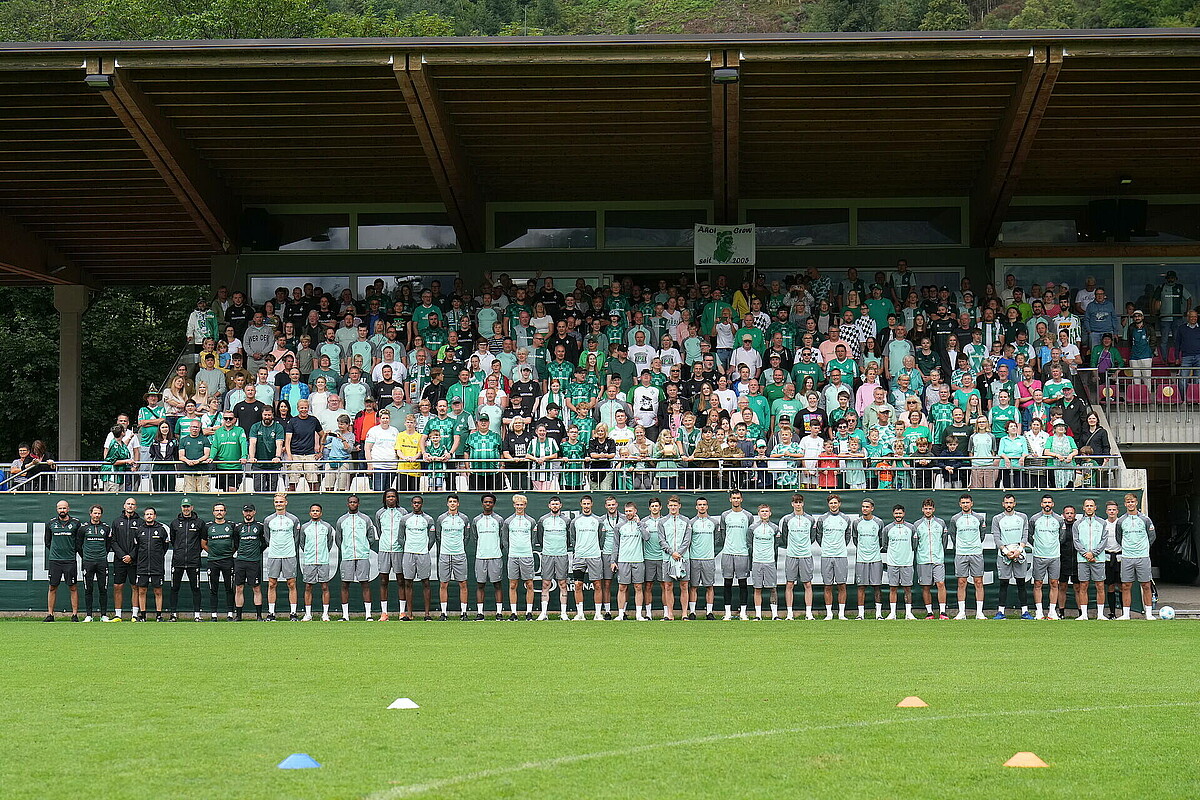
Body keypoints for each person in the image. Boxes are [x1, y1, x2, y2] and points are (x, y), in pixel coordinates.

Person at [1116, 493, 1157, 620]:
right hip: (1127, 557)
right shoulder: (1121, 520)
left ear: (1136, 503)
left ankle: (1149, 614)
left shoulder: (1145, 519)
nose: (1130, 504)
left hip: (1143, 556)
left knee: (1146, 584)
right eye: (1128, 502)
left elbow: (1152, 537)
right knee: (1126, 586)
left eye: (1132, 502)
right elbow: (1119, 538)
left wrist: (1143, 548)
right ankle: (1126, 614)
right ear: (1125, 504)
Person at [336, 495, 378, 621]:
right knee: (345, 584)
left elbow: (371, 537)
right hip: (347, 555)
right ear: (347, 504)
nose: (353, 504)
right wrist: (345, 548)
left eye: (355, 502)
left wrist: (364, 547)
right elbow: (339, 539)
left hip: (362, 555)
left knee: (365, 583)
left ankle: (368, 614)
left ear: (358, 504)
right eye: (350, 502)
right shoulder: (341, 520)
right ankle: (345, 615)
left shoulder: (365, 519)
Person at [991, 493, 1031, 619]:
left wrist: (1019, 550)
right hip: (1004, 554)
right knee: (1003, 583)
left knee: (1021, 583)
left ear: (1015, 504)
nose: (1009, 505)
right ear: (1003, 504)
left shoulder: (1022, 517)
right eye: (1006, 503)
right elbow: (997, 538)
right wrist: (1006, 551)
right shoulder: (997, 518)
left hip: (1019, 553)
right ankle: (1000, 612)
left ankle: (1025, 612)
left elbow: (1025, 535)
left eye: (1011, 502)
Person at [263, 493, 301, 622]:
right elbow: (267, 538)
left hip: (289, 555)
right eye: (276, 502)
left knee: (291, 583)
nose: (279, 504)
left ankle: (293, 613)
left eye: (281, 502)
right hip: (273, 555)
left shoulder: (293, 519)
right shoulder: (268, 520)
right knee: (272, 584)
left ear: (286, 503)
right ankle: (271, 613)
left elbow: (296, 538)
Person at [814, 494, 852, 620]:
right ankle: (829, 613)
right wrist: (826, 547)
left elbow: (847, 537)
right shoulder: (822, 519)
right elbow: (819, 536)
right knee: (828, 585)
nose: (833, 505)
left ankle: (841, 613)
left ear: (839, 504)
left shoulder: (845, 519)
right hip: (826, 556)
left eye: (835, 503)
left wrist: (839, 547)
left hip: (841, 555)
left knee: (842, 585)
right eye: (831, 503)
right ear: (828, 505)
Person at [1028, 494, 1066, 620]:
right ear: (1041, 504)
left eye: (1049, 502)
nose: (1047, 504)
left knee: (1054, 583)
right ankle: (1039, 611)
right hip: (1039, 555)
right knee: (1038, 583)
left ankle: (1051, 611)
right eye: (1045, 502)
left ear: (1053, 504)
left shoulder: (1059, 520)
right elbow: (1029, 535)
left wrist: (1052, 546)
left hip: (1054, 556)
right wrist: (1038, 545)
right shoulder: (1034, 519)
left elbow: (1062, 537)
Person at [399, 494, 437, 621]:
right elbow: (400, 537)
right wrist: (408, 547)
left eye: (418, 503)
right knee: (408, 582)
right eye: (414, 503)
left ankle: (427, 614)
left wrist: (425, 549)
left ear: (422, 504)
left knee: (425, 582)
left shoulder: (429, 519)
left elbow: (432, 538)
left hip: (423, 554)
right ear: (411, 504)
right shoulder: (405, 519)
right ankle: (409, 614)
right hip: (408, 553)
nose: (416, 505)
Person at [168, 498, 206, 622]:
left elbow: (202, 542)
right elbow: (173, 541)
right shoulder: (174, 523)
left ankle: (197, 615)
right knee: (174, 588)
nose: (186, 509)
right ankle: (173, 614)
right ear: (181, 508)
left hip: (193, 562)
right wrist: (179, 552)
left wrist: (194, 553)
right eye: (184, 507)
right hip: (178, 561)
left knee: (195, 588)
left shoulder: (199, 523)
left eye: (188, 506)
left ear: (192, 507)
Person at [435, 494, 472, 621]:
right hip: (445, 554)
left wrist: (459, 547)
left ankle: (464, 613)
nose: (452, 504)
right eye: (450, 502)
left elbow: (467, 537)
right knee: (443, 583)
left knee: (463, 583)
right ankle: (443, 613)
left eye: (454, 502)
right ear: (447, 504)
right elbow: (438, 536)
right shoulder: (441, 518)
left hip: (460, 554)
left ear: (458, 504)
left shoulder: (464, 518)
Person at [950, 493, 987, 620]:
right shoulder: (955, 519)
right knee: (961, 582)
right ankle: (961, 612)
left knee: (978, 582)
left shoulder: (979, 518)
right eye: (963, 503)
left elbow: (982, 535)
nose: (965, 505)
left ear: (972, 503)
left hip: (976, 553)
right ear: (960, 504)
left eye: (967, 502)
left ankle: (979, 613)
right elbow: (953, 535)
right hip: (961, 553)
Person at [719, 490, 755, 621]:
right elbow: (723, 534)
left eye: (738, 498)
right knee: (727, 583)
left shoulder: (748, 516)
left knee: (743, 583)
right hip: (728, 553)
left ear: (741, 499)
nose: (736, 500)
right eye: (733, 498)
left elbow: (750, 534)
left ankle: (743, 613)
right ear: (730, 500)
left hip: (743, 553)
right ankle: (727, 613)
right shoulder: (725, 515)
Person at [45, 500, 82, 622]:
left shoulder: (76, 523)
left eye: (64, 508)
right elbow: (48, 542)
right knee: (52, 587)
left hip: (70, 560)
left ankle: (74, 615)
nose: (62, 510)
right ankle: (50, 614)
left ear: (68, 509)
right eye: (60, 508)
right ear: (57, 509)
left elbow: (78, 542)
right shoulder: (51, 523)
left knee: (73, 587)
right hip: (55, 560)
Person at [1073, 498, 1110, 620]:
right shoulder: (1077, 524)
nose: (1089, 508)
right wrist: (1086, 554)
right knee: (1083, 585)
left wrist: (1093, 554)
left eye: (1091, 506)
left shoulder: (1102, 523)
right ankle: (1084, 614)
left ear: (1095, 508)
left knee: (1100, 585)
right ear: (1083, 508)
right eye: (1087, 506)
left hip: (1098, 559)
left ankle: (1100, 614)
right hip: (1082, 560)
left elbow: (1104, 541)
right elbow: (1076, 541)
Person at [568, 495, 605, 621]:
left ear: (592, 504)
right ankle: (580, 614)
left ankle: (598, 614)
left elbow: (601, 537)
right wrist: (578, 549)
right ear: (581, 504)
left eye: (588, 503)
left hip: (594, 556)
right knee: (578, 585)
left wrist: (595, 548)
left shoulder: (598, 520)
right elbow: (572, 538)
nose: (586, 506)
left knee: (597, 585)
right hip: (579, 556)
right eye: (584, 504)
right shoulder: (575, 521)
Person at [536, 496, 572, 621]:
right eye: (553, 504)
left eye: (557, 504)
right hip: (547, 555)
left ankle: (563, 613)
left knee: (563, 583)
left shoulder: (567, 520)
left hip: (562, 555)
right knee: (545, 583)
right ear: (549, 506)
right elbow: (540, 538)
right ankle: (543, 613)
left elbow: (569, 538)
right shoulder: (543, 520)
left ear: (560, 505)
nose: (555, 506)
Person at [502, 494, 538, 620]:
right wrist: (511, 551)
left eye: (521, 505)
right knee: (512, 584)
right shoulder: (508, 521)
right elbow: (504, 540)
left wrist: (528, 550)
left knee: (529, 584)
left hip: (527, 556)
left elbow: (533, 540)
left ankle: (529, 613)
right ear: (514, 505)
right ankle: (514, 613)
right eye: (517, 505)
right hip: (513, 556)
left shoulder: (531, 521)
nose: (519, 507)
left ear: (525, 505)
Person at [470, 493, 506, 620]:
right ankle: (480, 613)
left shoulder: (499, 520)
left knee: (497, 584)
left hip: (495, 556)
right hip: (480, 556)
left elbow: (503, 539)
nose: (488, 504)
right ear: (482, 503)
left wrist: (496, 549)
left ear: (494, 504)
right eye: (486, 502)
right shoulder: (476, 520)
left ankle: (499, 613)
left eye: (490, 502)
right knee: (480, 585)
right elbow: (475, 538)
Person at [298, 503, 336, 622]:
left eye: (317, 511)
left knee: (325, 586)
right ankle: (308, 614)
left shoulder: (327, 527)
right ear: (310, 513)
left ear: (321, 513)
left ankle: (325, 614)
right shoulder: (305, 527)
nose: (315, 513)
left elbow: (329, 543)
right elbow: (302, 543)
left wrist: (323, 553)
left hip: (323, 561)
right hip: (309, 561)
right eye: (313, 511)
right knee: (308, 587)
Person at [612, 500, 649, 620]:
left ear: (635, 511)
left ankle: (638, 615)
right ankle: (621, 614)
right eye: (627, 511)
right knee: (622, 587)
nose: (628, 513)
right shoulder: (619, 526)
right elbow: (616, 545)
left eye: (631, 511)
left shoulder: (642, 524)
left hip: (638, 560)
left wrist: (639, 524)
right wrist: (614, 561)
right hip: (623, 561)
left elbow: (647, 537)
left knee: (638, 587)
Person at [375, 489, 407, 622]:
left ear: (397, 498)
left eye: (393, 496)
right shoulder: (380, 513)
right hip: (384, 549)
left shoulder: (403, 512)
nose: (391, 499)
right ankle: (384, 613)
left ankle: (402, 612)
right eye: (388, 497)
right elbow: (379, 529)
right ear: (385, 499)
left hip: (398, 549)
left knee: (401, 580)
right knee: (383, 580)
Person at [914, 498, 949, 619]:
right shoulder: (917, 524)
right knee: (926, 586)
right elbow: (915, 543)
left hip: (938, 559)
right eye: (926, 508)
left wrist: (940, 553)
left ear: (933, 509)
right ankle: (929, 612)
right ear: (922, 509)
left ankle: (943, 612)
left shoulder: (940, 523)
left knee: (940, 583)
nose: (928, 511)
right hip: (923, 559)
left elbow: (944, 541)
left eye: (930, 508)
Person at [658, 495, 692, 621]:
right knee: (668, 586)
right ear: (667, 506)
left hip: (683, 558)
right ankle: (669, 614)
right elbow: (662, 540)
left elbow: (687, 539)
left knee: (684, 585)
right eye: (671, 505)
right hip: (668, 558)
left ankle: (684, 614)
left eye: (675, 505)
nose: (673, 508)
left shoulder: (686, 521)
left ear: (679, 506)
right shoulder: (662, 522)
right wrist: (672, 553)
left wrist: (680, 553)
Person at [201, 502, 237, 621]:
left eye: (221, 510)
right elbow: (203, 543)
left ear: (225, 512)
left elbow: (236, 543)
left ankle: (230, 614)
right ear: (213, 512)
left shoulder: (231, 526)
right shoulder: (208, 526)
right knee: (213, 589)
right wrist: (212, 552)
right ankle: (214, 615)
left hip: (228, 561)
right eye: (217, 510)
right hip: (213, 561)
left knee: (229, 588)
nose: (219, 512)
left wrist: (229, 553)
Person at [881, 504, 917, 620]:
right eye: (896, 513)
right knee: (893, 588)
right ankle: (892, 613)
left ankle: (908, 613)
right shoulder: (887, 529)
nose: (898, 515)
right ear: (893, 514)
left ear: (904, 514)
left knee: (908, 588)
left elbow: (914, 544)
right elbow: (885, 545)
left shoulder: (911, 528)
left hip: (907, 563)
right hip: (892, 563)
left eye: (900, 513)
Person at [232, 503, 267, 622]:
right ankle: (238, 616)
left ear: (254, 512)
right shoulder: (238, 527)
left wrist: (257, 552)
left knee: (256, 588)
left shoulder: (259, 526)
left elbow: (264, 542)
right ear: (243, 512)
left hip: (254, 562)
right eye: (246, 511)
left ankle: (258, 616)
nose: (248, 513)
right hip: (241, 561)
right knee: (239, 588)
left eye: (250, 511)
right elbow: (236, 543)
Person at [851, 499, 885, 620]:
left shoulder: (879, 522)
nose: (864, 509)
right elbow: (855, 539)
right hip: (861, 559)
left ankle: (879, 614)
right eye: (863, 506)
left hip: (875, 559)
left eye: (867, 507)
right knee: (861, 587)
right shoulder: (856, 523)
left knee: (877, 586)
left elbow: (882, 539)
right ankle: (861, 614)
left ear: (872, 508)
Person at [80, 504, 112, 622]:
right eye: (95, 513)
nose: (96, 515)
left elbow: (108, 545)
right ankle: (89, 615)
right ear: (90, 514)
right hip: (88, 561)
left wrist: (102, 555)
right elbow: (78, 545)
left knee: (103, 588)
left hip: (102, 562)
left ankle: (103, 615)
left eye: (99, 513)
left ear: (101, 515)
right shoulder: (83, 528)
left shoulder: (106, 528)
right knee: (88, 588)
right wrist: (85, 556)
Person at [284, 398, 324, 491]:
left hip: (310, 455)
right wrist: (289, 455)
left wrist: (320, 451)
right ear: (298, 409)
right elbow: (288, 440)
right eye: (301, 408)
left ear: (308, 408)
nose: (304, 410)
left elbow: (323, 435)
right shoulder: (293, 421)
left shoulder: (313, 420)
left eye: (306, 408)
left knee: (313, 482)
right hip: (295, 455)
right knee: (293, 482)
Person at [749, 504, 781, 621]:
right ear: (758, 513)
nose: (764, 513)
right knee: (757, 588)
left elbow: (777, 544)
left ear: (770, 513)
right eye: (762, 511)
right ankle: (758, 615)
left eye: (766, 511)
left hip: (770, 562)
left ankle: (775, 615)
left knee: (772, 588)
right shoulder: (752, 528)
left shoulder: (775, 528)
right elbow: (749, 544)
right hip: (757, 561)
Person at [638, 497, 666, 619]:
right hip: (648, 558)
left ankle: (666, 613)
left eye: (656, 506)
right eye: (652, 506)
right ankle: (648, 614)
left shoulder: (666, 521)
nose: (654, 508)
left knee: (665, 586)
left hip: (663, 558)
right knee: (648, 586)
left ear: (660, 507)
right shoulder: (644, 522)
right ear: (649, 508)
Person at [248, 406, 286, 493]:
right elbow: (252, 443)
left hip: (273, 464)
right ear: (262, 415)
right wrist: (252, 457)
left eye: (269, 415)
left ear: (272, 415)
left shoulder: (278, 427)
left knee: (272, 490)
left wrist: (277, 457)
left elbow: (279, 444)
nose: (267, 417)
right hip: (259, 464)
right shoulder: (255, 426)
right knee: (258, 489)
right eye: (265, 415)